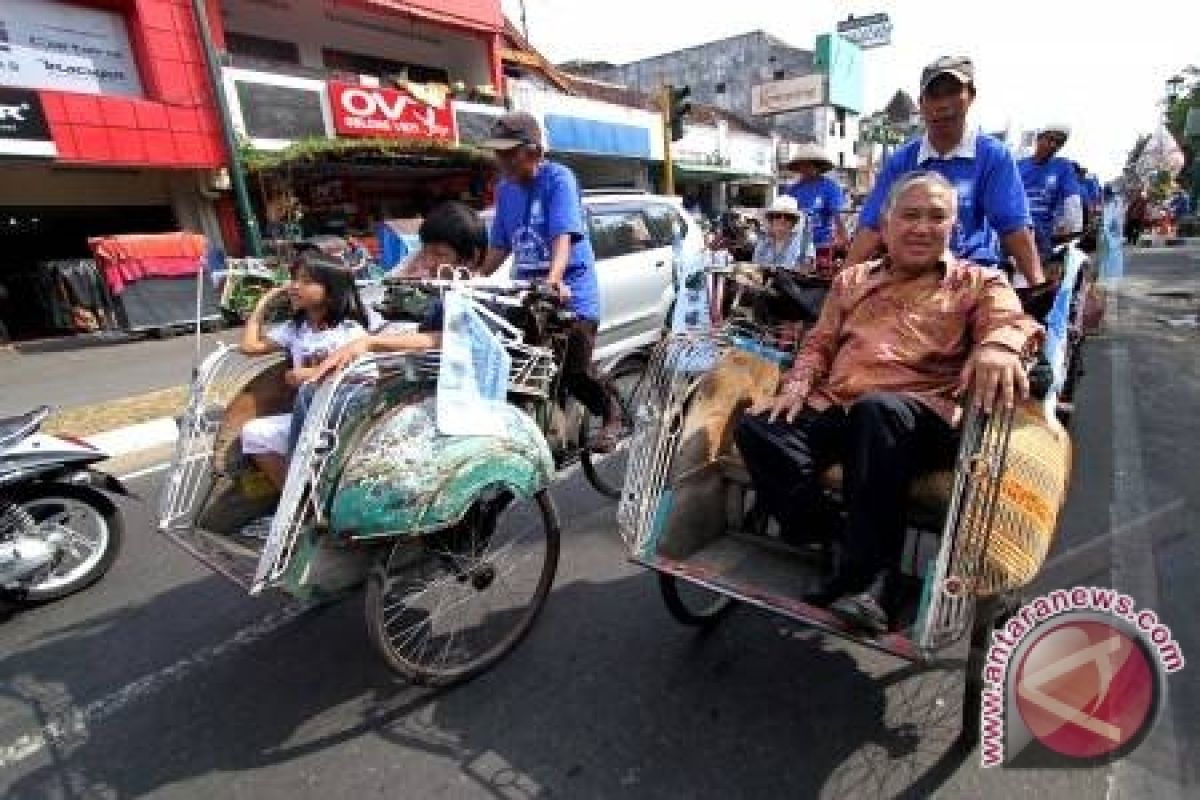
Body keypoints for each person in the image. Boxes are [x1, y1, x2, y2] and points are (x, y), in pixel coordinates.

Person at [733, 171, 1041, 634]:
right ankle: (834, 536)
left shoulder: (979, 282)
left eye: (936, 217)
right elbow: (819, 342)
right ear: (887, 221)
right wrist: (796, 384)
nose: (922, 227)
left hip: (920, 415)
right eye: (910, 215)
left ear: (953, 227)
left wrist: (999, 347)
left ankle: (874, 582)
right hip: (842, 402)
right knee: (758, 426)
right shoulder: (852, 279)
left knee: (878, 411)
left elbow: (1012, 322)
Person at [476, 111, 622, 451]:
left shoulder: (559, 179)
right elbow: (500, 245)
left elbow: (562, 236)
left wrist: (554, 281)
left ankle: (613, 416)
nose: (503, 161)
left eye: (510, 153)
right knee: (518, 368)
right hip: (526, 294)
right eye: (499, 153)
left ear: (535, 152)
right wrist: (474, 278)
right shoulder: (505, 191)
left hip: (570, 293)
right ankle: (544, 429)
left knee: (575, 370)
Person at [846, 56, 1047, 292]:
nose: (943, 104)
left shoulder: (993, 156)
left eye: (952, 92)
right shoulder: (901, 161)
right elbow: (872, 228)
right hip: (908, 278)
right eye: (934, 96)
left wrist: (1038, 287)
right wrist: (841, 289)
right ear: (921, 104)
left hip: (973, 278)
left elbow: (1013, 228)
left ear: (970, 96)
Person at [312, 201, 489, 381]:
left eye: (439, 254)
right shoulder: (449, 295)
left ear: (471, 258)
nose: (429, 263)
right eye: (426, 253)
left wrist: (371, 343)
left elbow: (449, 339)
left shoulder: (484, 297)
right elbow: (422, 335)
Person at [239, 254, 369, 491]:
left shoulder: (350, 330)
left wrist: (310, 374)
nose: (295, 286)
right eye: (294, 279)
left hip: (339, 417)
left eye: (305, 281)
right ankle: (297, 502)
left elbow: (366, 376)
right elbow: (250, 347)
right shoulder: (295, 329)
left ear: (330, 292)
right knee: (253, 434)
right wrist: (263, 304)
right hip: (305, 417)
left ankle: (307, 492)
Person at [1018, 125, 1083, 263]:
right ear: (1039, 138)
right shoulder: (1018, 166)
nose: (1054, 145)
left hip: (1042, 239)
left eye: (1059, 143)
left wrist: (1072, 234)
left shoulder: (1063, 167)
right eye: (1050, 139)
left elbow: (1072, 201)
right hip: (1013, 234)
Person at [782, 144, 849, 251]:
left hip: (822, 245)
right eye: (802, 165)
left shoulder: (830, 187)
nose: (804, 169)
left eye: (808, 165)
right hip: (796, 245)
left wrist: (844, 236)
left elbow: (838, 215)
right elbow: (784, 216)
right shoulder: (793, 190)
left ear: (818, 166)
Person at [752, 195, 811, 269]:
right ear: (771, 219)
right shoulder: (762, 242)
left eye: (788, 217)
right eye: (777, 215)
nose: (782, 220)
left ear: (794, 222)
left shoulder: (804, 244)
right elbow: (756, 269)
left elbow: (805, 273)